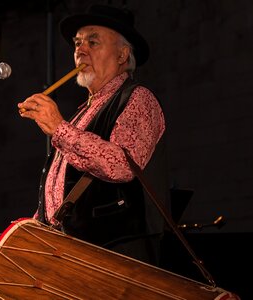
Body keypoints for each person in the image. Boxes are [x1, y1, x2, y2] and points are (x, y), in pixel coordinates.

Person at [17, 4, 168, 266]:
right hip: (75, 254)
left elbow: (122, 165)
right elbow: (64, 192)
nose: (80, 50)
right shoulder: (81, 113)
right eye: (77, 43)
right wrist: (33, 230)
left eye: (93, 42)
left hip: (117, 257)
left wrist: (59, 128)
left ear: (122, 55)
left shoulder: (137, 98)